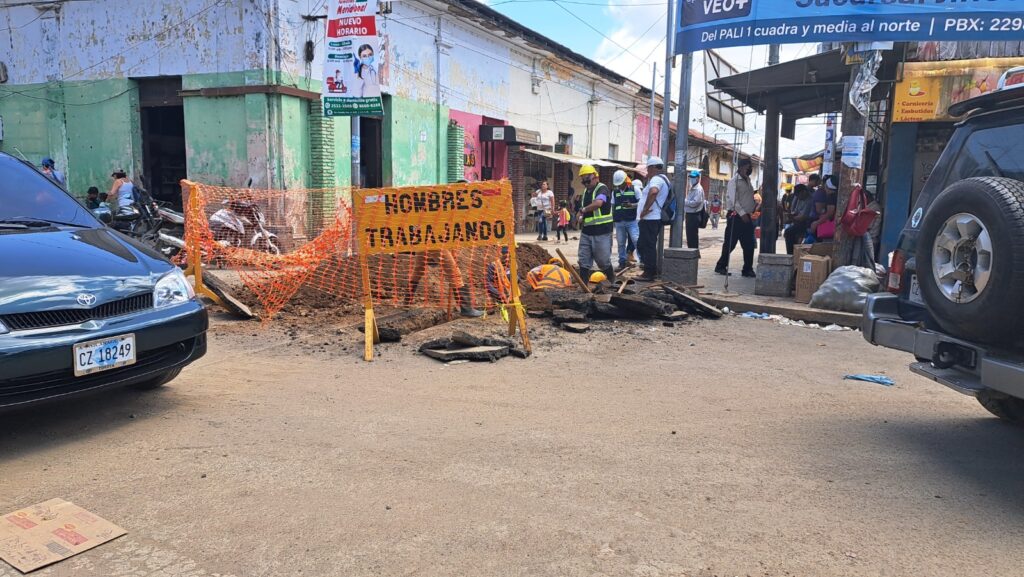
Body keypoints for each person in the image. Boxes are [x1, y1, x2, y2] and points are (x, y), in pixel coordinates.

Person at [715, 158, 757, 278]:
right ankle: (721, 266)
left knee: (749, 244)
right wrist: (742, 213)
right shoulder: (734, 181)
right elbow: (733, 200)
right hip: (736, 216)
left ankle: (747, 269)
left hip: (747, 217)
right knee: (730, 243)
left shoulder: (748, 180)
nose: (750, 169)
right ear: (742, 167)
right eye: (748, 167)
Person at [575, 164, 615, 284]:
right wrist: (580, 215)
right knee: (583, 259)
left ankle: (612, 278)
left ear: (595, 176)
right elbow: (586, 209)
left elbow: (598, 203)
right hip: (587, 231)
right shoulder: (586, 192)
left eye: (587, 180)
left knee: (602, 260)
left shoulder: (602, 189)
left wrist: (583, 210)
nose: (586, 183)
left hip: (602, 231)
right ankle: (583, 285)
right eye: (584, 181)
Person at [636, 156, 671, 281]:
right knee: (643, 244)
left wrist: (645, 210)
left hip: (650, 218)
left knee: (647, 245)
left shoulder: (656, 179)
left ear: (653, 167)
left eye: (648, 168)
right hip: (651, 218)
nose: (647, 171)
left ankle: (649, 273)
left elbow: (653, 192)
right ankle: (650, 269)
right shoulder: (663, 178)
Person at [610, 169, 639, 272]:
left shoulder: (634, 189)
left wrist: (632, 205)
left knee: (636, 240)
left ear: (625, 181)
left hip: (631, 220)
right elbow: (613, 206)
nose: (619, 186)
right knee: (621, 242)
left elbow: (641, 203)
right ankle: (622, 262)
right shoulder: (615, 192)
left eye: (621, 183)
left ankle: (642, 262)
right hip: (619, 221)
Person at [783, 184, 814, 254]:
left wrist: (793, 218)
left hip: (806, 222)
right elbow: (796, 211)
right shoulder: (799, 199)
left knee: (788, 232)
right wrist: (791, 216)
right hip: (798, 220)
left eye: (799, 195)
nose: (798, 197)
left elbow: (803, 217)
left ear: (804, 192)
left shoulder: (809, 200)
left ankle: (791, 253)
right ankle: (791, 252)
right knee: (788, 232)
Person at [810, 176, 839, 242]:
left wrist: (816, 223)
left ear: (827, 187)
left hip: (831, 228)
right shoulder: (836, 195)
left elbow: (830, 213)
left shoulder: (831, 197)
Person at [684, 170, 705, 249]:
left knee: (692, 236)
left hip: (694, 215)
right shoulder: (692, 187)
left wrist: (685, 202)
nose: (691, 179)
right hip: (690, 214)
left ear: (698, 178)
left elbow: (696, 203)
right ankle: (691, 252)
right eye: (691, 177)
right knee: (690, 236)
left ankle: (694, 253)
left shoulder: (698, 189)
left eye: (693, 177)